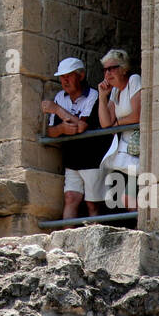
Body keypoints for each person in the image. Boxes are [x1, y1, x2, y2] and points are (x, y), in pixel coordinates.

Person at [41, 57, 104, 219]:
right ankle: (65, 240)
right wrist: (62, 128)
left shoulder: (93, 95)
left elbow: (82, 126)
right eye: (62, 77)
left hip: (92, 159)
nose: (64, 80)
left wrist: (58, 110)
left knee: (92, 203)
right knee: (70, 198)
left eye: (68, 75)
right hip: (71, 159)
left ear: (81, 76)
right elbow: (50, 132)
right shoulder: (60, 97)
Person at [97, 48, 141, 210]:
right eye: (105, 70)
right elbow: (106, 124)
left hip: (138, 150)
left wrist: (118, 124)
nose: (107, 73)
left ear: (123, 69)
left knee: (130, 198)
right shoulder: (115, 91)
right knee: (125, 198)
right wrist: (102, 97)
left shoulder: (134, 81)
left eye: (112, 68)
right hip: (124, 152)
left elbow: (138, 116)